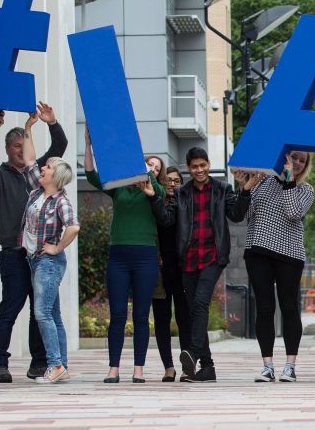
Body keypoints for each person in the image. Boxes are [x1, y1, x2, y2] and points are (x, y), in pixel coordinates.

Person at [0, 102, 68, 383]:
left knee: (40, 310)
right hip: (13, 254)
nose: (20, 149)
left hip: (40, 255)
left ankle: (40, 363)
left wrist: (50, 122)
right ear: (7, 149)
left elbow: (60, 144)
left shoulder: (39, 175)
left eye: (23, 144)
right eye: (15, 145)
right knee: (10, 307)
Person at [84, 131, 165, 384]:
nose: (150, 167)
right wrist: (89, 144)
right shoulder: (119, 188)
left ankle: (138, 369)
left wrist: (147, 175)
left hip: (145, 257)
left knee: (141, 315)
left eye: (155, 167)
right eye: (148, 162)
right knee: (117, 315)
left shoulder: (155, 190)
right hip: (118, 256)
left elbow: (160, 195)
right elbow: (90, 174)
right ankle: (113, 368)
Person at [232, 150, 315, 383]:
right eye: (294, 158)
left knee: (289, 307)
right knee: (265, 308)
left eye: (302, 160)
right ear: (283, 158)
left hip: (290, 254)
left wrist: (289, 180)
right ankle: (267, 366)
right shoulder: (261, 181)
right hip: (258, 250)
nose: (297, 163)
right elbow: (244, 214)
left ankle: (290, 366)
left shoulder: (306, 190)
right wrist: (245, 188)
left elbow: (293, 213)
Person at [161, 147, 238, 383]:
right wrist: (155, 196)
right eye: (194, 167)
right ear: (189, 168)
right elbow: (167, 219)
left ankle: (192, 354)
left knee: (200, 302)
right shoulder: (182, 193)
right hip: (188, 258)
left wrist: (244, 191)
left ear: (208, 163)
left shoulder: (222, 189)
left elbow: (236, 215)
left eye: (202, 165)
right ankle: (208, 367)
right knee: (196, 310)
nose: (199, 170)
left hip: (213, 256)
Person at [20, 158, 80, 383]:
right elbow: (29, 162)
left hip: (48, 262)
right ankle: (61, 366)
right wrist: (29, 128)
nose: (43, 169)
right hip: (35, 260)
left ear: (56, 176)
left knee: (42, 313)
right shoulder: (37, 193)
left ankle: (54, 364)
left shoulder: (60, 201)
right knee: (53, 315)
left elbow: (74, 227)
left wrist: (57, 247)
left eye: (48, 168)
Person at [150, 164, 189, 382]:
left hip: (183, 269)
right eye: (168, 180)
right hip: (160, 269)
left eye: (177, 181)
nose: (173, 184)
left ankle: (186, 365)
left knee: (184, 318)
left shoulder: (187, 205)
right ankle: (168, 367)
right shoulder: (155, 204)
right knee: (162, 319)